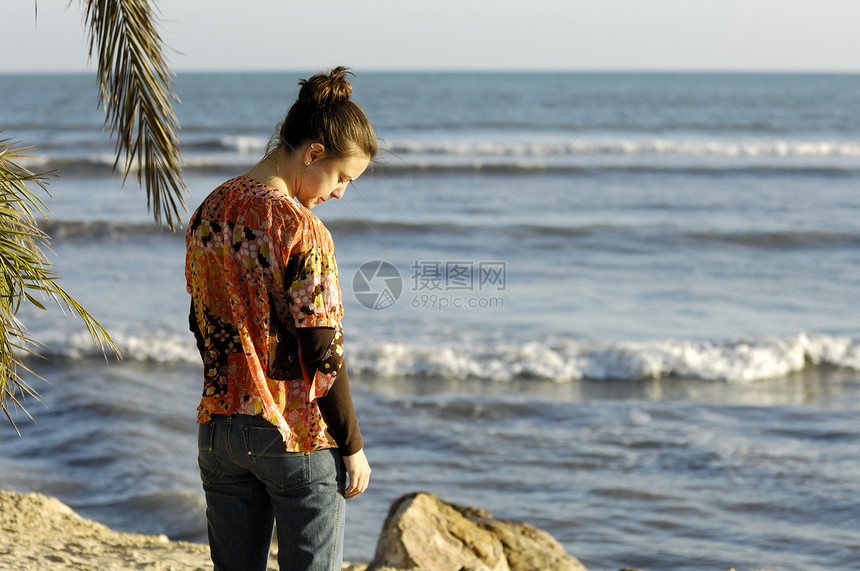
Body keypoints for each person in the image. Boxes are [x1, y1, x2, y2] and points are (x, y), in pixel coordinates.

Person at [185, 67, 375, 571]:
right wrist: (352, 446)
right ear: (313, 153)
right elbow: (321, 351)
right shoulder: (301, 228)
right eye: (341, 178)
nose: (338, 194)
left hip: (219, 430)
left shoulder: (210, 210)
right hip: (294, 436)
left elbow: (201, 320)